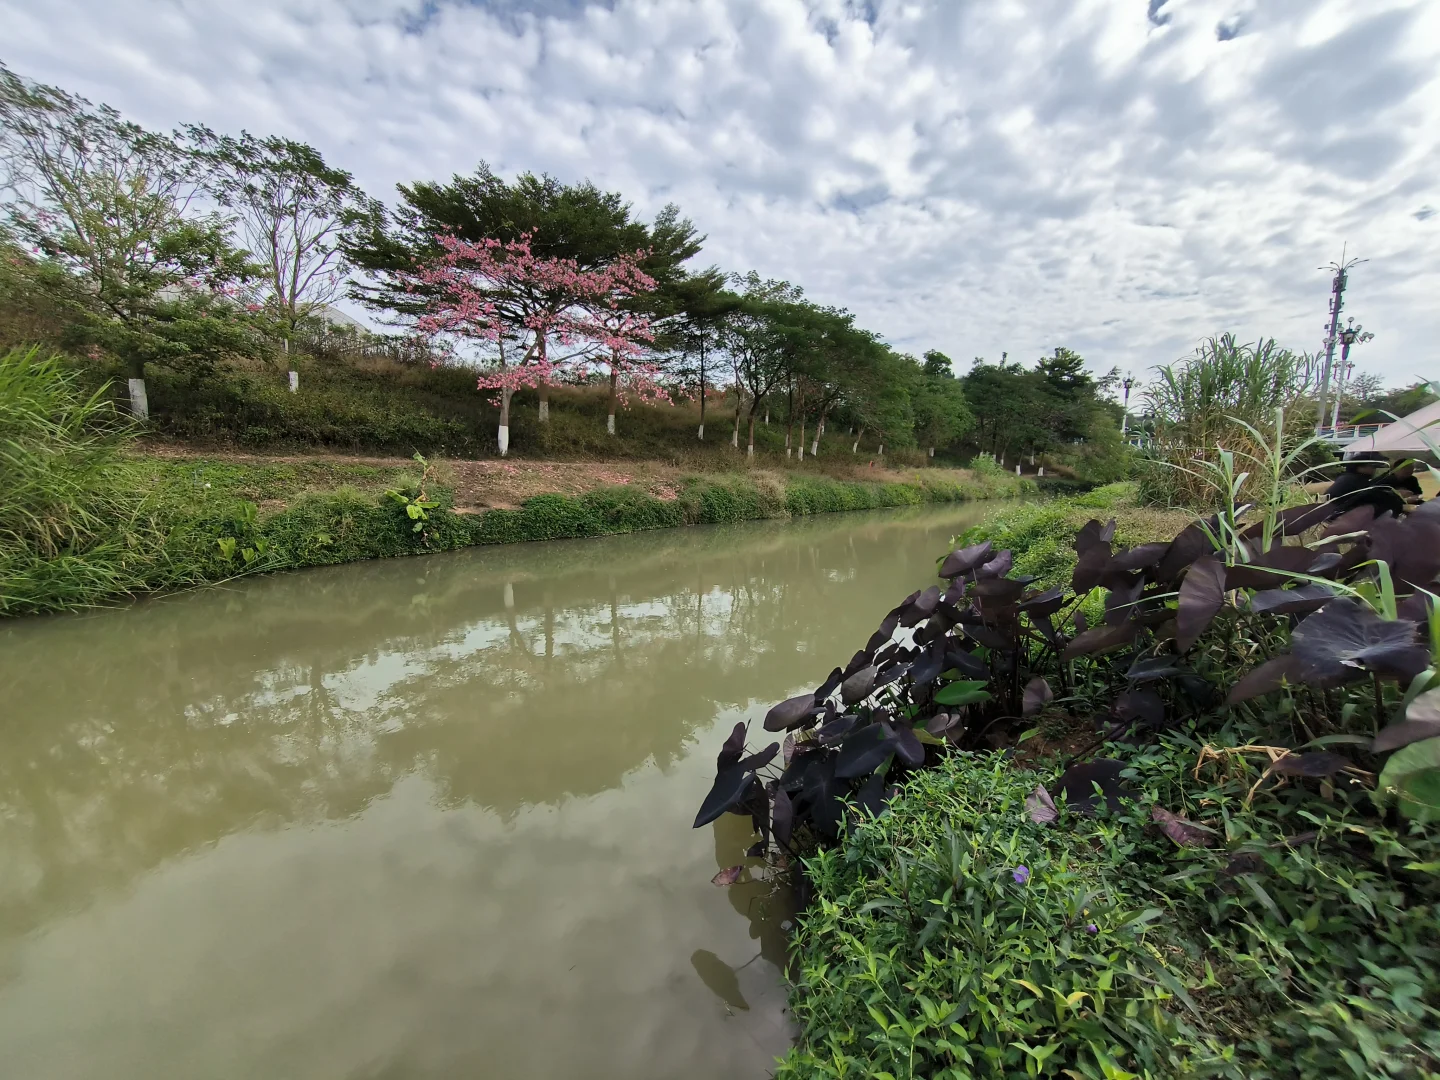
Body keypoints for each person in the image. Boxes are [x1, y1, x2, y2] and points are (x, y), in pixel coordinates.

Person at [1324, 451, 1405, 519]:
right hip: (1338, 517)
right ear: (1360, 467)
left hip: (1333, 514)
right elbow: (1374, 495)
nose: (1374, 470)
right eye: (1373, 466)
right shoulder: (1355, 480)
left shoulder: (1348, 478)